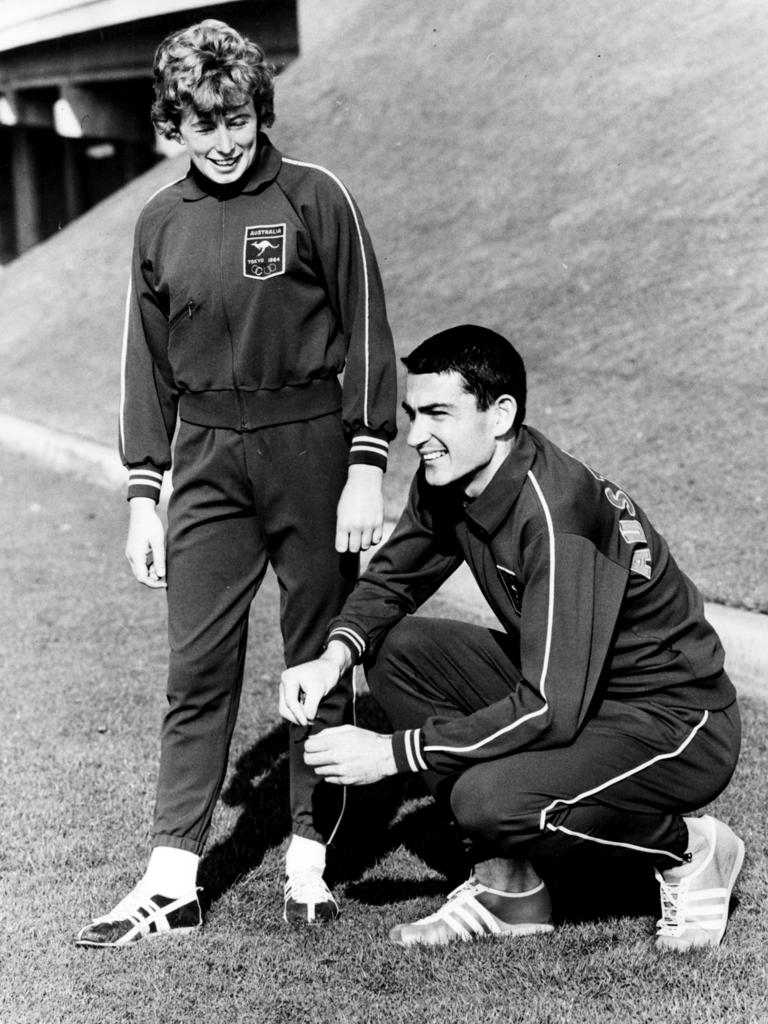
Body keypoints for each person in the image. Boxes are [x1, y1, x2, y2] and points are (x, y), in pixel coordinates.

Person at [75, 19, 396, 947]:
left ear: (261, 110)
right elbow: (149, 366)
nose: (223, 143)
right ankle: (173, 877)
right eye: (200, 124)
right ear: (172, 123)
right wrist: (145, 491)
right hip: (209, 459)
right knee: (196, 665)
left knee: (316, 657)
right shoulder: (159, 221)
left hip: (313, 449)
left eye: (239, 120)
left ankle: (308, 856)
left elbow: (370, 329)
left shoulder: (314, 197)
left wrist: (367, 467)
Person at [280, 324, 743, 952]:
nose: (416, 437)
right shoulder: (451, 478)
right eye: (413, 414)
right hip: (581, 694)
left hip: (675, 719)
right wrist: (332, 659)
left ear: (500, 416)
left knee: (490, 800)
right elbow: (392, 581)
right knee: (396, 650)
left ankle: (691, 849)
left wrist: (393, 753)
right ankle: (510, 888)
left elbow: (549, 710)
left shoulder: (557, 516)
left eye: (438, 414)